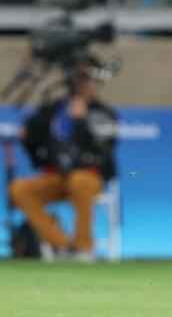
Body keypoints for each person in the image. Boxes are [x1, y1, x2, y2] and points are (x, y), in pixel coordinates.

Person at [10, 62, 117, 261]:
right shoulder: (55, 109)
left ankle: (84, 247)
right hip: (58, 176)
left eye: (89, 82)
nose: (85, 86)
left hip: (89, 176)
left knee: (78, 181)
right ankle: (62, 245)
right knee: (19, 189)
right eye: (79, 81)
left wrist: (81, 121)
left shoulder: (103, 113)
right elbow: (32, 133)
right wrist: (27, 135)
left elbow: (104, 148)